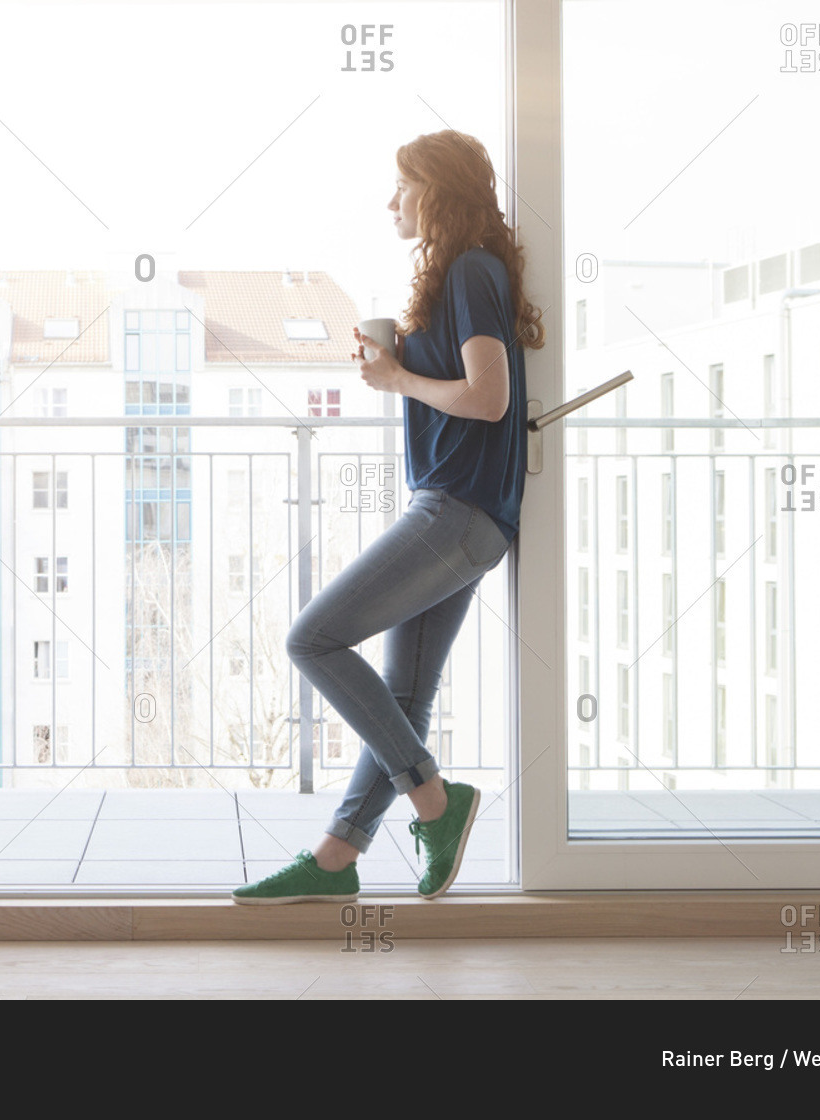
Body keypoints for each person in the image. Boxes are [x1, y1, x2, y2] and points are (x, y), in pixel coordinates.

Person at [232, 129, 546, 904]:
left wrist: (398, 378)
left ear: (437, 192)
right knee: (403, 699)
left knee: (312, 638)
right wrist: (394, 366)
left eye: (403, 185)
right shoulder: (463, 275)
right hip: (464, 514)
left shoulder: (471, 271)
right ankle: (337, 858)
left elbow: (489, 398)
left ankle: (436, 803)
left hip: (456, 510)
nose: (390, 202)